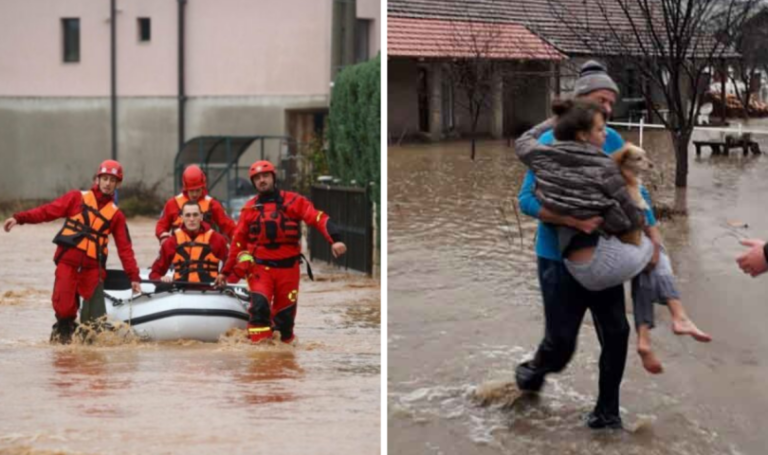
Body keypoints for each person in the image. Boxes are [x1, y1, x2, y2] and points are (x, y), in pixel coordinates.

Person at [517, 98, 710, 376]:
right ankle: (671, 320)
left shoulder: (542, 155)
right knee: (655, 250)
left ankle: (612, 402)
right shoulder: (604, 167)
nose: (606, 132)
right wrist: (635, 230)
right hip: (598, 265)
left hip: (572, 262)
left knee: (614, 331)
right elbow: (628, 216)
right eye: (599, 127)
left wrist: (557, 117)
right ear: (583, 131)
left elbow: (523, 140)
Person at [515, 60, 655, 429]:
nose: (608, 108)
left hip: (603, 256)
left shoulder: (610, 140)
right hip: (558, 260)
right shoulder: (550, 142)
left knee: (617, 334)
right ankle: (529, 375)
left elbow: (633, 191)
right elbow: (526, 200)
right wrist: (571, 220)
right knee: (561, 347)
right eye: (600, 100)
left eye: (611, 101)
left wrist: (652, 235)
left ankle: (607, 415)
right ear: (580, 103)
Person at [3, 160, 141, 344]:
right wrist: (19, 218)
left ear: (118, 184)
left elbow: (125, 249)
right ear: (97, 179)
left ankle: (88, 357)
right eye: (105, 178)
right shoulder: (76, 198)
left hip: (93, 269)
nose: (108, 183)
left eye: (112, 180)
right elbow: (47, 212)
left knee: (95, 321)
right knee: (65, 310)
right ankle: (64, 346)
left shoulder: (116, 215)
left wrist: (134, 276)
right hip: (68, 263)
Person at [216, 160, 347, 345]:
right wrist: (225, 273)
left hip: (289, 269)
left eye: (265, 176)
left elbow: (318, 218)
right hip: (260, 268)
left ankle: (282, 359)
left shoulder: (294, 201)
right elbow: (237, 244)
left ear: (273, 178)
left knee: (285, 320)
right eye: (258, 178)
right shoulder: (249, 210)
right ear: (253, 183)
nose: (262, 181)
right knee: (260, 308)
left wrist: (335, 239)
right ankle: (260, 356)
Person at [149, 200, 229, 284]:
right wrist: (162, 278)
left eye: (195, 215)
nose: (191, 219)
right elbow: (154, 273)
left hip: (211, 291)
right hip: (181, 292)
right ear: (182, 217)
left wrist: (223, 276)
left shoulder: (217, 239)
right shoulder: (171, 242)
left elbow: (231, 264)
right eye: (188, 215)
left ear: (201, 216)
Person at [156, 164, 236, 243]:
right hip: (179, 250)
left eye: (198, 190)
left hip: (206, 250)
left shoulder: (212, 204)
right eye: (191, 191)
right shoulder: (172, 204)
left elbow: (227, 225)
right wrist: (163, 236)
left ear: (203, 187)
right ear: (185, 188)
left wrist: (237, 239)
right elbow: (161, 225)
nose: (195, 194)